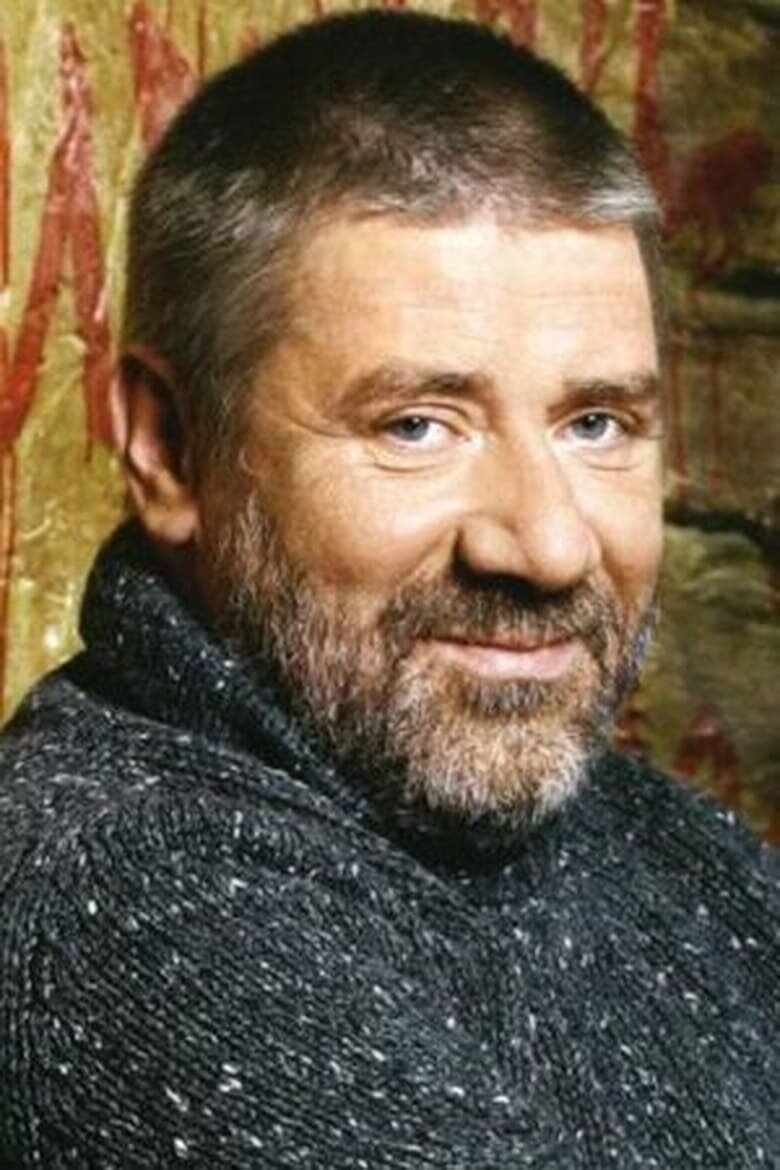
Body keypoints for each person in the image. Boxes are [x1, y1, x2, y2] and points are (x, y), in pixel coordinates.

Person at [0, 10, 776, 1168]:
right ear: (167, 447)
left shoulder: (682, 849)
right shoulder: (127, 901)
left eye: (597, 423)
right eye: (417, 425)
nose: (548, 545)